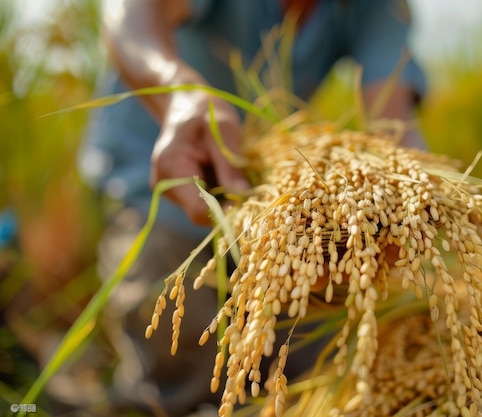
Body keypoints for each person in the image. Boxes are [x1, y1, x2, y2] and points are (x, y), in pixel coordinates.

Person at [77, 0, 427, 416]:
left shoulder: (371, 8)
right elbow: (129, 13)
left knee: (304, 366)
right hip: (161, 181)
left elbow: (392, 123)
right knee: (181, 348)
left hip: (263, 203)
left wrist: (409, 193)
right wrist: (178, 93)